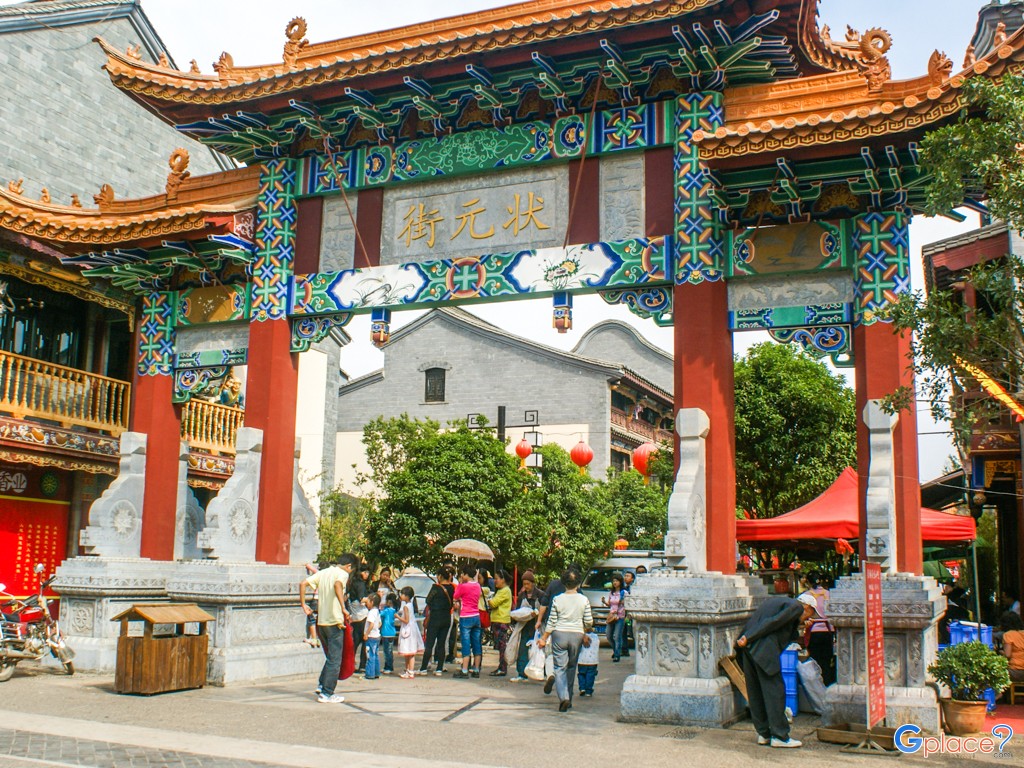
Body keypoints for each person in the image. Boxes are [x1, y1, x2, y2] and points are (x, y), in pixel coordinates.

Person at [736, 594, 817, 748]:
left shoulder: (779, 601)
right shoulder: (796, 607)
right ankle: (780, 735)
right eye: (811, 613)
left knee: (756, 691)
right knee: (775, 691)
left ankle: (764, 733)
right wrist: (749, 637)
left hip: (749, 648)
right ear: (807, 607)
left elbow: (779, 626)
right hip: (762, 647)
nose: (808, 617)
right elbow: (773, 622)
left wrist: (800, 625)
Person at [298, 552, 356, 703]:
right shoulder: (342, 574)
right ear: (349, 566)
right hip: (335, 621)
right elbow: (337, 585)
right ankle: (327, 693)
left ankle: (321, 685)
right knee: (335, 660)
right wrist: (343, 607)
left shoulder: (324, 572)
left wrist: (303, 604)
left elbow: (303, 584)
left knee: (331, 657)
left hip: (321, 622)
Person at [537, 566, 593, 712]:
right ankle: (569, 698)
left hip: (559, 634)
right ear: (578, 583)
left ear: (563, 583)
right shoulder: (584, 600)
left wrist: (544, 638)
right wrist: (585, 631)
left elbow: (551, 622)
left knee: (559, 667)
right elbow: (588, 621)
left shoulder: (557, 599)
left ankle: (563, 697)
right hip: (577, 635)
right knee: (571, 667)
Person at [800, 571, 835, 685]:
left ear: (808, 582)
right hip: (828, 632)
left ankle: (816, 685)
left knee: (814, 661)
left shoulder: (806, 596)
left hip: (813, 632)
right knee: (827, 660)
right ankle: (827, 684)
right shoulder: (829, 594)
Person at [421, 567, 455, 676]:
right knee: (441, 644)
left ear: (440, 576)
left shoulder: (435, 588)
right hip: (446, 618)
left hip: (435, 618)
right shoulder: (452, 588)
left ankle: (423, 668)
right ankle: (439, 668)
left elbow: (428, 600)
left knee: (429, 644)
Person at [511, 570, 543, 681]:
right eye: (524, 584)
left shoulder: (540, 595)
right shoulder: (522, 596)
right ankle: (522, 673)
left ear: (533, 583)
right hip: (525, 626)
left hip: (537, 627)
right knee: (523, 650)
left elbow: (544, 610)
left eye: (528, 584)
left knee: (538, 650)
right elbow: (518, 610)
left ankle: (539, 672)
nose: (526, 586)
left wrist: (537, 614)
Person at [452, 565, 483, 678]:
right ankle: (476, 669)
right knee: (476, 643)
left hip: (466, 616)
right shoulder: (478, 586)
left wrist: (460, 583)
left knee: (466, 643)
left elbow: (455, 596)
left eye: (462, 574)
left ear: (466, 574)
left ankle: (464, 670)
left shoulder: (463, 586)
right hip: (476, 616)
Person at [347, 563, 371, 673]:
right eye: (366, 572)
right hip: (362, 615)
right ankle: (362, 665)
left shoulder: (352, 582)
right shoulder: (360, 584)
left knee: (355, 642)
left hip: (354, 616)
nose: (367, 575)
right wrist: (373, 598)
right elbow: (362, 599)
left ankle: (350, 664)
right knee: (365, 641)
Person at [488, 569, 513, 676]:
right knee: (500, 645)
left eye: (497, 578)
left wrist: (488, 598)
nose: (495, 581)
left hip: (501, 621)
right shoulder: (501, 591)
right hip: (497, 620)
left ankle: (503, 668)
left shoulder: (505, 591)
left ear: (503, 579)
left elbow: (493, 603)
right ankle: (501, 666)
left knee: (502, 645)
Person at [396, 586, 423, 678]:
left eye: (402, 594)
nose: (401, 596)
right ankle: (408, 670)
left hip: (407, 629)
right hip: (412, 629)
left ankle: (410, 670)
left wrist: (398, 617)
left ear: (407, 596)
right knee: (409, 652)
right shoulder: (410, 605)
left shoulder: (406, 607)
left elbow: (406, 620)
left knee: (409, 651)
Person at [602, 574, 627, 662]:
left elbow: (628, 604)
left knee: (617, 636)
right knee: (609, 635)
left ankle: (617, 654)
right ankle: (615, 650)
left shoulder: (624, 592)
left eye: (616, 581)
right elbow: (610, 604)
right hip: (612, 616)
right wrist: (604, 602)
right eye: (613, 581)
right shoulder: (611, 593)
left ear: (620, 582)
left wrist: (623, 603)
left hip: (620, 616)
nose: (615, 583)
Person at [1000, 610, 1024, 682]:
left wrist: (1000, 652)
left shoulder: (1008, 635)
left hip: (1015, 671)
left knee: (994, 672)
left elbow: (1007, 655)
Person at [363, 593, 382, 680]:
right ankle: (376, 672)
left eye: (367, 601)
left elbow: (371, 624)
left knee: (370, 655)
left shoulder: (371, 612)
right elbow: (380, 623)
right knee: (375, 654)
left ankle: (370, 674)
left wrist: (366, 633)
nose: (366, 603)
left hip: (371, 636)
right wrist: (376, 629)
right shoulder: (377, 611)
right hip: (377, 635)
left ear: (372, 602)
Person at [577, 628, 600, 697]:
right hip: (593, 661)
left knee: (581, 674)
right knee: (590, 675)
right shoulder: (596, 637)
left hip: (581, 660)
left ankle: (582, 688)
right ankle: (588, 691)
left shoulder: (580, 637)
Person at [380, 593, 398, 674]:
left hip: (386, 633)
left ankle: (388, 667)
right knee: (389, 651)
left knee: (387, 651)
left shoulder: (387, 610)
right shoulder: (394, 610)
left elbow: (380, 614)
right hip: (392, 632)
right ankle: (388, 666)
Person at [621, 570, 636, 657]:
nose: (626, 577)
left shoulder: (633, 589)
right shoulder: (624, 588)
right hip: (624, 613)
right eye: (625, 576)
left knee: (631, 631)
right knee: (623, 630)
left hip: (630, 615)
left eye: (628, 576)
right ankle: (624, 649)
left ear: (632, 578)